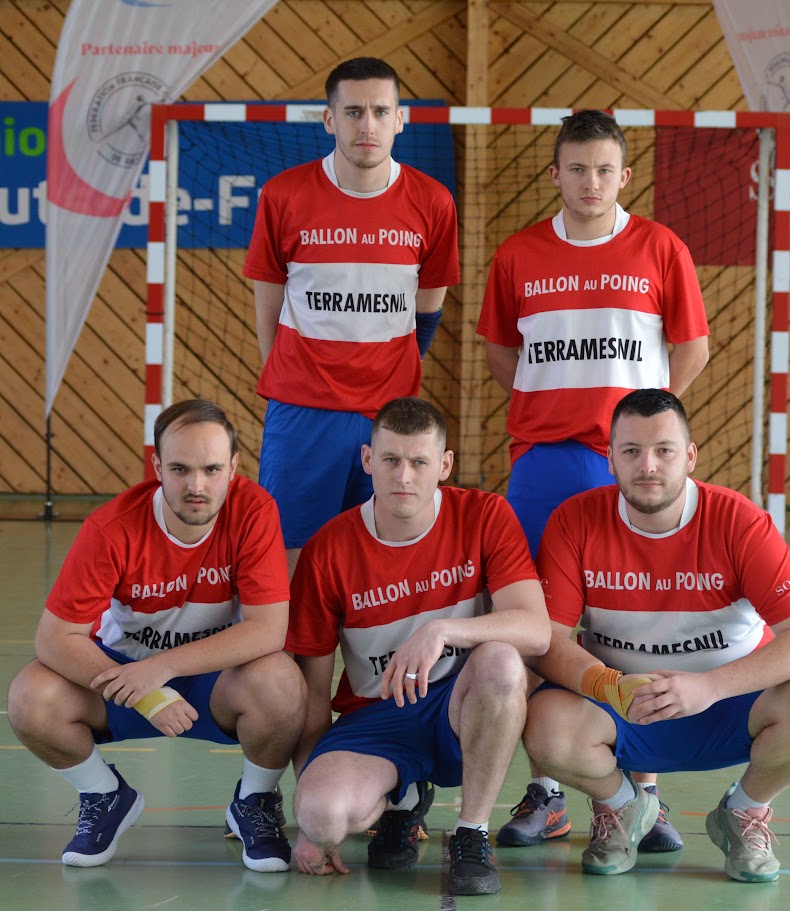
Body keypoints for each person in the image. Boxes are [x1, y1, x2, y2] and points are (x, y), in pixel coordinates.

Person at [476, 109, 710, 850]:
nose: (589, 181)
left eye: (603, 169)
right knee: (545, 628)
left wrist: (632, 430)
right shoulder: (517, 253)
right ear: (555, 174)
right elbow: (500, 353)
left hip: (623, 466)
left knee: (625, 619)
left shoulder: (659, 246)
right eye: (576, 168)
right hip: (543, 461)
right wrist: (557, 406)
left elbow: (692, 348)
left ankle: (643, 790)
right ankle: (549, 790)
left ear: (623, 176)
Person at [521, 388, 790, 882]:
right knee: (543, 719)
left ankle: (744, 812)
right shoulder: (575, 521)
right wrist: (607, 684)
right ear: (610, 458)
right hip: (624, 709)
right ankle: (624, 807)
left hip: (729, 704)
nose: (647, 465)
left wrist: (709, 687)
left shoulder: (738, 521)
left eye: (664, 450)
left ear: (690, 456)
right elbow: (547, 642)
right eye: (630, 451)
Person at [7, 400, 306, 872]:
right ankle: (104, 795)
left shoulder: (253, 511)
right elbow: (54, 638)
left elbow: (269, 629)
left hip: (214, 685)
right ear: (157, 467)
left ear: (233, 467)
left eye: (211, 469)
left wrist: (163, 668)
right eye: (180, 469)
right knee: (30, 697)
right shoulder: (111, 527)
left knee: (283, 682)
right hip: (122, 684)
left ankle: (254, 800)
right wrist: (146, 692)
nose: (196, 486)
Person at [285, 396, 551, 895]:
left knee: (500, 661)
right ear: (368, 461)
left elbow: (537, 630)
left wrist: (443, 631)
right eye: (390, 461)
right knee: (322, 818)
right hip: (375, 719)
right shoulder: (329, 548)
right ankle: (403, 799)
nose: (403, 477)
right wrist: (308, 814)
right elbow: (314, 696)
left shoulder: (485, 515)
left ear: (444, 466)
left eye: (419, 462)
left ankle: (472, 834)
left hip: (459, 708)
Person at [243, 56, 460, 578]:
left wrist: (389, 370)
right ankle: (292, 663)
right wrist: (296, 377)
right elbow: (268, 306)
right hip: (301, 414)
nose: (368, 125)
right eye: (354, 111)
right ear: (328, 118)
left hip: (387, 417)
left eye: (381, 111)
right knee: (291, 564)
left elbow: (428, 306)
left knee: (383, 563)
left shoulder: (433, 202)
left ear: (400, 119)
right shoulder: (284, 195)